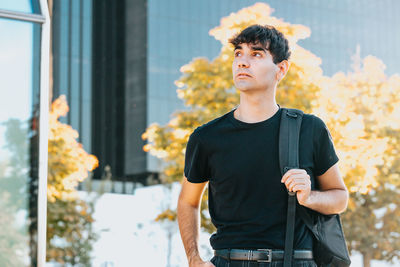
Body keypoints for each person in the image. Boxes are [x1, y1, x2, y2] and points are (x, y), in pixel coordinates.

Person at [177, 24, 349, 267]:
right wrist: (193, 258)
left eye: (256, 54)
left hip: (295, 261)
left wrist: (310, 197)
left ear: (281, 69)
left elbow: (340, 198)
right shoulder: (206, 137)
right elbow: (188, 201)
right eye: (238, 53)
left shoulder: (309, 129)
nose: (242, 62)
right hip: (229, 261)